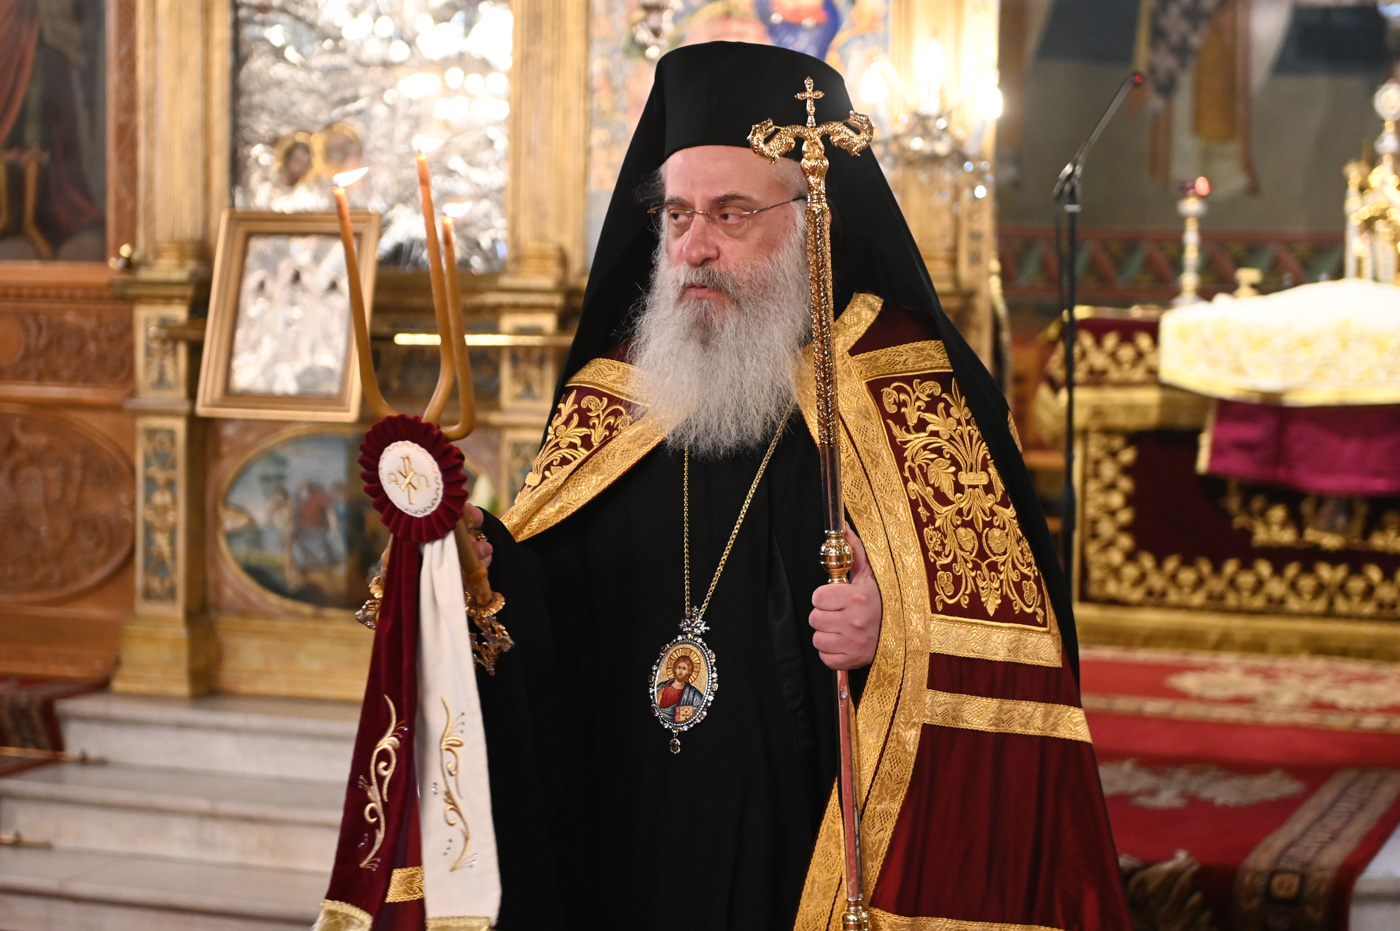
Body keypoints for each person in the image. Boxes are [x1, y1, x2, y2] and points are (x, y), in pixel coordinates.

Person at [320, 40, 1130, 931]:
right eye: (676, 215)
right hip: (628, 844)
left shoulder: (908, 388)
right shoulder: (619, 390)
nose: (694, 248)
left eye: (731, 214)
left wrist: (893, 628)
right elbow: (554, 622)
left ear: (813, 219)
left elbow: (1004, 648)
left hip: (803, 847)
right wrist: (479, 565)